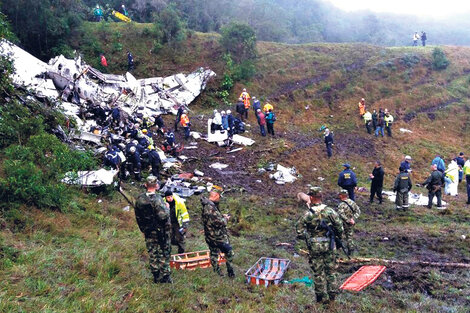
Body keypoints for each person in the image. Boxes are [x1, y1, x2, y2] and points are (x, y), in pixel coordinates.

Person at [295, 187, 343, 304]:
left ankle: (320, 299)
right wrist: (336, 237)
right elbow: (340, 228)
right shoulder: (330, 211)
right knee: (331, 272)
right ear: (321, 197)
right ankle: (332, 298)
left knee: (318, 273)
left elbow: (299, 231)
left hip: (314, 246)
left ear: (311, 198)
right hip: (329, 245)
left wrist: (309, 237)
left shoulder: (307, 214)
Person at [130, 176, 172, 283]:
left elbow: (138, 216)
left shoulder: (140, 199)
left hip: (148, 230)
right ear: (156, 186)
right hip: (161, 230)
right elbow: (163, 216)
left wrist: (143, 229)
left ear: (146, 185)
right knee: (164, 251)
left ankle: (156, 274)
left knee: (152, 251)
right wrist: (167, 208)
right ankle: (165, 275)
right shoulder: (157, 199)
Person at [200, 191, 235, 277]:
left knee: (213, 253)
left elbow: (211, 219)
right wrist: (226, 218)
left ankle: (217, 273)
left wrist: (220, 215)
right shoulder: (211, 207)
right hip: (217, 237)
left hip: (209, 236)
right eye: (219, 196)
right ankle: (230, 273)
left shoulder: (206, 205)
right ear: (216, 196)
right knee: (229, 252)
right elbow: (219, 223)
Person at [336, 190, 361, 255]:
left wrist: (347, 220)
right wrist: (353, 219)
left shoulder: (341, 205)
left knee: (340, 236)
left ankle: (339, 250)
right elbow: (358, 211)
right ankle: (351, 251)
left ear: (342, 195)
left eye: (340, 194)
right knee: (349, 237)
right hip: (351, 224)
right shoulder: (352, 202)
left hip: (342, 223)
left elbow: (341, 214)